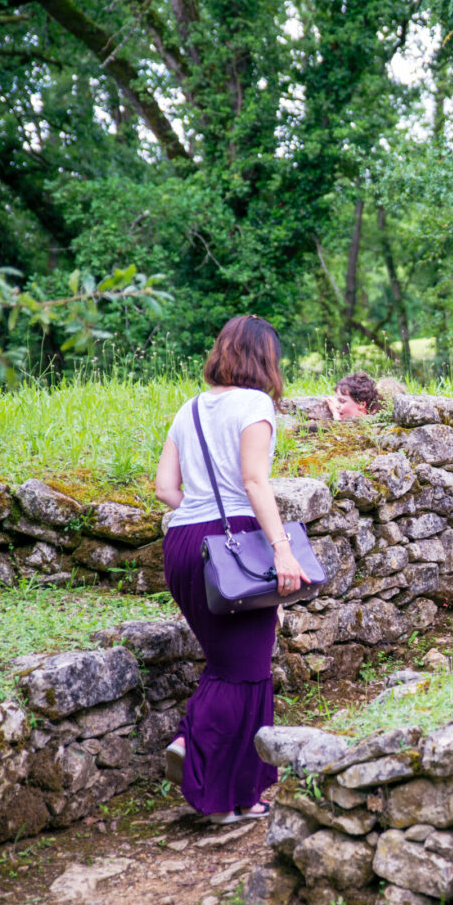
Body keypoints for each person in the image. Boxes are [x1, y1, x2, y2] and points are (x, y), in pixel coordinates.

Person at [153, 315, 309, 824]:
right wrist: (282, 550)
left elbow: (165, 489)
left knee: (234, 665)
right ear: (266, 359)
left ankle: (238, 790)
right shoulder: (255, 405)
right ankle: (211, 780)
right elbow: (254, 481)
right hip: (235, 545)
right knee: (246, 670)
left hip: (183, 543)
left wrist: (200, 517)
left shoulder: (189, 409)